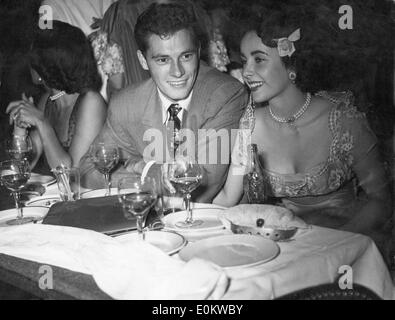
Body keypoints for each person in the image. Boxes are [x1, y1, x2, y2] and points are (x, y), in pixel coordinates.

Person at [213, 9, 392, 253]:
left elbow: (381, 200)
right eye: (245, 61)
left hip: (349, 241)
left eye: (259, 59)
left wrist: (335, 244)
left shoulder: (342, 120)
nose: (246, 71)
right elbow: (227, 199)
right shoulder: (250, 124)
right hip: (288, 247)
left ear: (291, 65)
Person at [79, 1, 247, 203]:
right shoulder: (126, 103)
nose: (178, 72)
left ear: (199, 51)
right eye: (163, 60)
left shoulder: (224, 95)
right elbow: (88, 170)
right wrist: (150, 170)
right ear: (143, 61)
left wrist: (136, 167)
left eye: (186, 56)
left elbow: (197, 191)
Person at [6, 21, 106, 170]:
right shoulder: (48, 101)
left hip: (88, 191)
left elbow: (72, 173)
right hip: (58, 193)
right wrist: (20, 128)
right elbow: (23, 166)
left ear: (45, 66)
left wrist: (42, 122)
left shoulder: (91, 102)